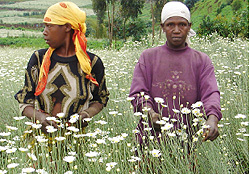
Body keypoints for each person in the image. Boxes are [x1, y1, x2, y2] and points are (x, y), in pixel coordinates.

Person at [129, 1, 222, 146]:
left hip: (188, 140)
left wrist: (212, 118)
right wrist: (151, 113)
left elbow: (210, 94)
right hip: (151, 139)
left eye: (182, 24)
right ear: (162, 27)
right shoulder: (148, 57)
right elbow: (138, 93)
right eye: (170, 24)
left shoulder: (201, 60)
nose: (176, 30)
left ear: (189, 26)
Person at [14, 2, 109, 134]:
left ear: (67, 27)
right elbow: (25, 101)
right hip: (39, 143)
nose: (44, 32)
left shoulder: (91, 63)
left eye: (49, 26)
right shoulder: (38, 59)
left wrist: (85, 115)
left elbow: (100, 99)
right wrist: (40, 117)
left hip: (76, 143)